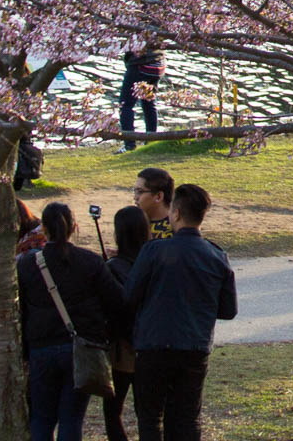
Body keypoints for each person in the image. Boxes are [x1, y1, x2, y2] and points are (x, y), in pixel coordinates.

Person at [124, 183, 237, 441]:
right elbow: (228, 310)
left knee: (150, 418)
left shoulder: (154, 250)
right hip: (194, 347)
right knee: (186, 417)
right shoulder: (216, 255)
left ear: (175, 214)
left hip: (153, 345)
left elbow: (130, 295)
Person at [17, 202, 125, 441]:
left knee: (41, 419)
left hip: (41, 347)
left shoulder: (27, 264)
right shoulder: (90, 261)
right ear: (74, 227)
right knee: (72, 418)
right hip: (81, 348)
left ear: (43, 229)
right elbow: (116, 301)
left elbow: (21, 310)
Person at [102, 206, 151, 441]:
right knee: (148, 412)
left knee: (113, 411)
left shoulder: (113, 267)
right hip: (152, 345)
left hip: (123, 350)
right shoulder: (154, 261)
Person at [119, 45, 164, 151]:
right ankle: (151, 141)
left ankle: (129, 144)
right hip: (158, 64)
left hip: (140, 65)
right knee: (149, 101)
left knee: (125, 105)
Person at [133, 168, 174, 242]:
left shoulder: (176, 229)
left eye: (140, 191)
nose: (135, 197)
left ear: (158, 197)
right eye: (135, 191)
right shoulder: (135, 223)